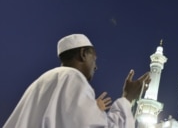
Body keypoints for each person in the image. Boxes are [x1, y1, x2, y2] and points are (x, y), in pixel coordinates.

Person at [3, 34, 151, 128]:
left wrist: (93, 110)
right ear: (83, 54)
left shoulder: (42, 81)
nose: (96, 66)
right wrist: (127, 98)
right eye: (94, 59)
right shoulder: (72, 77)